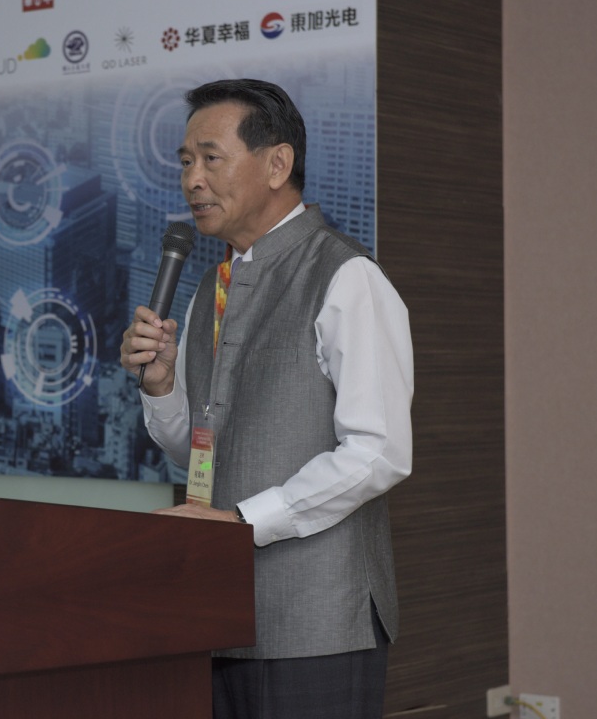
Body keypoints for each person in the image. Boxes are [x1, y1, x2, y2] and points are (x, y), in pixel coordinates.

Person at [119, 79, 413, 719]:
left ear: (277, 164)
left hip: (317, 620)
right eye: (185, 162)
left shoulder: (346, 275)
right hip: (217, 611)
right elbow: (199, 449)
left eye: (210, 158)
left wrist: (243, 523)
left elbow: (379, 451)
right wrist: (162, 385)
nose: (192, 180)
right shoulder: (212, 285)